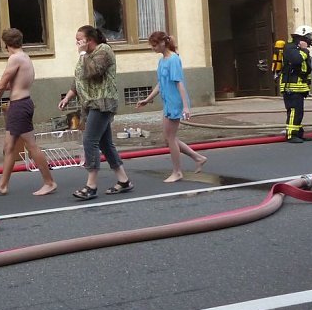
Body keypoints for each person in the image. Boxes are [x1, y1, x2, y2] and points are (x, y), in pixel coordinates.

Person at [58, 25, 133, 200]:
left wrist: (83, 54)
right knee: (105, 143)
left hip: (103, 102)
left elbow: (94, 72)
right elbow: (79, 78)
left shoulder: (103, 50)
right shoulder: (85, 56)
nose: (77, 43)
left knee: (90, 140)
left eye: (79, 40)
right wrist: (68, 97)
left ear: (90, 40)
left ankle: (91, 185)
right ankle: (124, 180)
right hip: (90, 103)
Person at [0, 29, 57, 196]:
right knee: (9, 146)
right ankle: (2, 184)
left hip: (20, 106)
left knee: (31, 146)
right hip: (21, 104)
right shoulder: (25, 57)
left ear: (6, 44)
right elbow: (13, 84)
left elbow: (1, 86)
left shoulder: (14, 58)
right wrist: (1, 85)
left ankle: (49, 182)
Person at [136, 31, 207, 183]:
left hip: (175, 102)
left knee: (171, 138)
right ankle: (198, 157)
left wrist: (186, 107)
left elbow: (179, 83)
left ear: (163, 43)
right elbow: (161, 83)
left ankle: (177, 172)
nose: (152, 48)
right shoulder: (162, 61)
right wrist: (147, 99)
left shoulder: (173, 59)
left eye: (154, 45)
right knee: (168, 139)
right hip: (167, 101)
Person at [279, 25, 312, 143]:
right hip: (291, 86)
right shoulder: (290, 48)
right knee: (294, 111)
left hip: (299, 87)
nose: (311, 39)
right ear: (303, 37)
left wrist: (308, 83)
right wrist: (304, 50)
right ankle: (291, 135)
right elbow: (296, 60)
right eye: (310, 37)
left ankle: (299, 133)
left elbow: (306, 69)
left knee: (298, 111)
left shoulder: (300, 49)